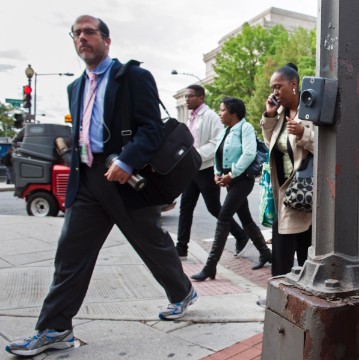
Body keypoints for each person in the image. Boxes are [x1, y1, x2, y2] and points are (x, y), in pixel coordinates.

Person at [5, 15, 196, 357]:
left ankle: (182, 292)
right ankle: (55, 328)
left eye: (89, 32)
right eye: (77, 33)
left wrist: (127, 160)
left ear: (106, 41)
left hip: (125, 178)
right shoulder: (74, 87)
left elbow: (152, 129)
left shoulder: (133, 77)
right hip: (89, 180)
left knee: (151, 243)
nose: (82, 38)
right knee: (70, 255)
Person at [191, 97, 272, 281]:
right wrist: (217, 173)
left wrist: (232, 174)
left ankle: (210, 267)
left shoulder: (246, 128)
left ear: (233, 112)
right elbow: (217, 154)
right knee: (245, 219)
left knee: (223, 217)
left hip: (242, 179)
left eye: (222, 110)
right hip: (230, 179)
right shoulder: (225, 131)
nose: (220, 113)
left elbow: (249, 153)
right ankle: (266, 253)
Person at [175, 84, 249, 259]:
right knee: (185, 207)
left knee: (214, 207)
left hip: (206, 168)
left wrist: (196, 155)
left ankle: (241, 235)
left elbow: (217, 141)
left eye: (190, 96)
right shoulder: (190, 118)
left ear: (201, 97)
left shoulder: (210, 116)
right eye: (185, 96)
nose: (187, 99)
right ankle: (181, 248)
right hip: (192, 169)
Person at [261, 63, 314, 276]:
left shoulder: (311, 111)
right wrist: (270, 115)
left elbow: (328, 148)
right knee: (282, 245)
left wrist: (304, 133)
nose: (275, 92)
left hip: (303, 189)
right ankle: (279, 290)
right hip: (283, 189)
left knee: (303, 246)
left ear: (293, 84)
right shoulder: (281, 113)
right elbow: (270, 144)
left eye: (278, 86)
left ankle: (297, 292)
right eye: (272, 87)